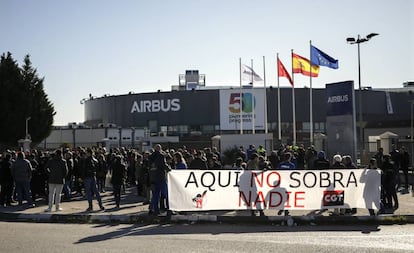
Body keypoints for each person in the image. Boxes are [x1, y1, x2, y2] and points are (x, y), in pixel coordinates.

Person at [148, 144, 170, 215]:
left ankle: (155, 210)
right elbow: (163, 165)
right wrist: (169, 169)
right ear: (160, 149)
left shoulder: (150, 157)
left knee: (155, 195)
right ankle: (169, 208)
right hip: (160, 177)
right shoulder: (160, 156)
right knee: (166, 194)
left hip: (153, 178)